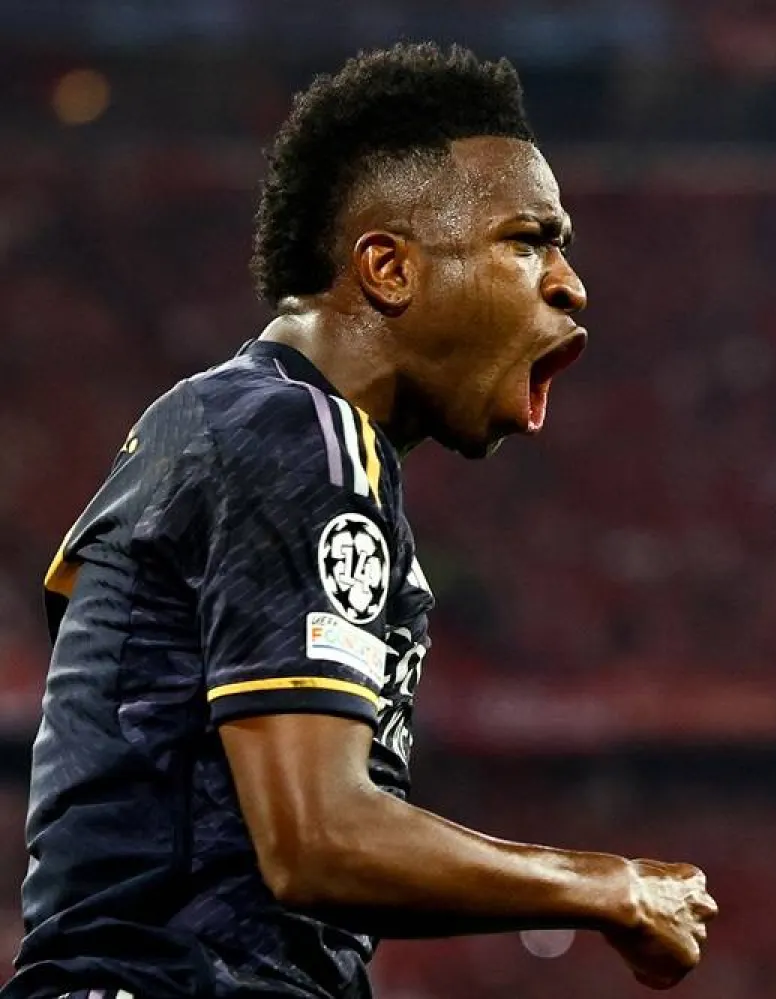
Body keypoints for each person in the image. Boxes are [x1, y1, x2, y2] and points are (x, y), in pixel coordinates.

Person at [5, 42, 716, 999]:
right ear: (387, 266)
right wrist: (611, 887)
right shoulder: (295, 434)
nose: (569, 282)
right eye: (528, 239)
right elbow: (318, 835)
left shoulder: (256, 431)